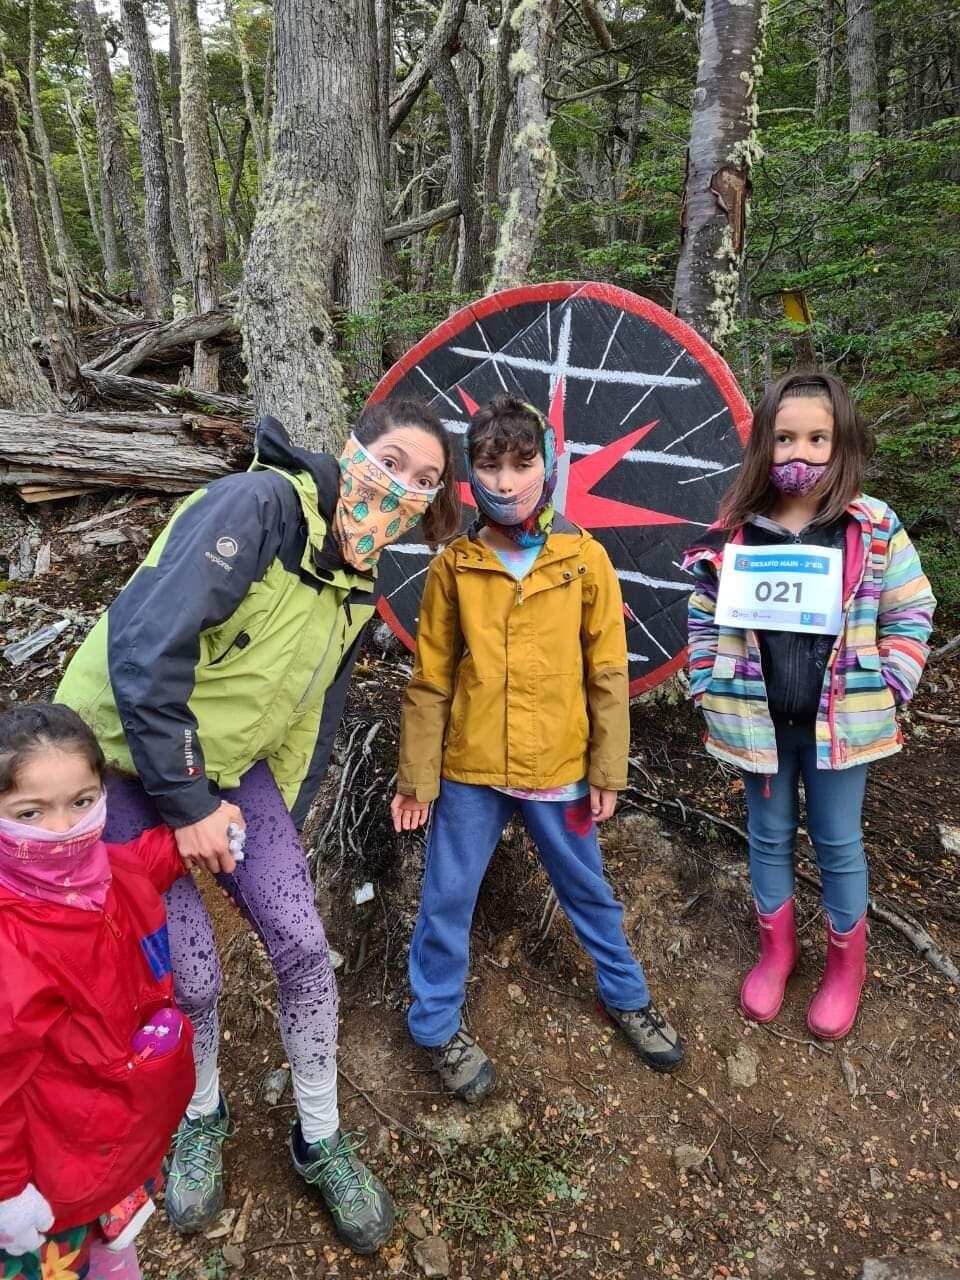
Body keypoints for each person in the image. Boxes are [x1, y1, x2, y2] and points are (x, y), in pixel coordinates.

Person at [57, 403, 461, 1254]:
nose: (404, 490)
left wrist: (285, 806)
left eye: (425, 482)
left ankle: (318, 1136)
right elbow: (143, 643)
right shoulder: (259, 508)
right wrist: (194, 804)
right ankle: (201, 1112)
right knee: (192, 972)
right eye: (393, 463)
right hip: (125, 753)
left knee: (304, 945)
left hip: (235, 765)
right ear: (352, 450)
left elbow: (313, 707)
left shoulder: (360, 573)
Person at [390, 394, 684, 1103]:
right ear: (471, 476)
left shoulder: (584, 560)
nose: (506, 481)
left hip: (560, 766)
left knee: (588, 890)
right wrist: (415, 778)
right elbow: (430, 678)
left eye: (522, 464)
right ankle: (433, 1025)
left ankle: (626, 997)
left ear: (547, 467)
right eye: (489, 465)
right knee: (447, 896)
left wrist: (609, 767)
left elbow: (607, 672)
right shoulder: (454, 566)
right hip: (471, 768)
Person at [684, 371, 935, 1040]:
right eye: (786, 438)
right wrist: (708, 682)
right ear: (763, 444)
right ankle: (778, 951)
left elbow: (911, 607)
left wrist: (892, 683)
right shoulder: (737, 531)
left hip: (842, 727)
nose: (801, 454)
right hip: (757, 722)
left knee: (838, 842)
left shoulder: (871, 525)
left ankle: (846, 967)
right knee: (767, 837)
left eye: (817, 438)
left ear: (840, 441)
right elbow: (703, 613)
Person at [0, 703, 195, 1280]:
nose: (64, 832)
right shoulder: (10, 945)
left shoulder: (103, 870)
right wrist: (8, 1192)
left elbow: (138, 863)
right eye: (31, 812)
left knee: (116, 1261)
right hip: (50, 1183)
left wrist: (193, 837)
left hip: (112, 1140)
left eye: (82, 803)